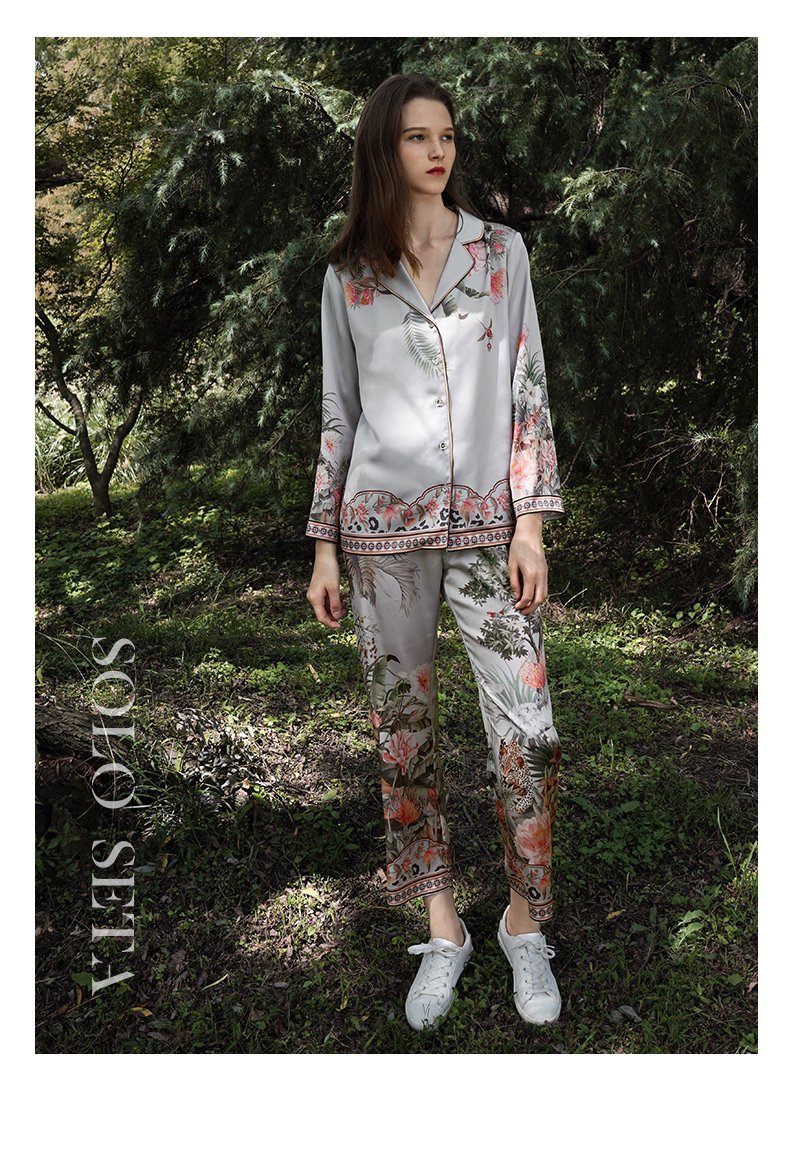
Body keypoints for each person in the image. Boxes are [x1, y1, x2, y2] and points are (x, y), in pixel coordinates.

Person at [306, 74, 564, 1032]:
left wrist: (530, 523)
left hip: (491, 532)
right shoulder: (349, 275)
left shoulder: (501, 254)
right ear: (385, 149)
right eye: (417, 137)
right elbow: (339, 413)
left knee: (529, 733)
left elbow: (527, 387)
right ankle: (443, 927)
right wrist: (324, 545)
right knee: (404, 737)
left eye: (446, 135)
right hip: (379, 537)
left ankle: (524, 922)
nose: (437, 151)